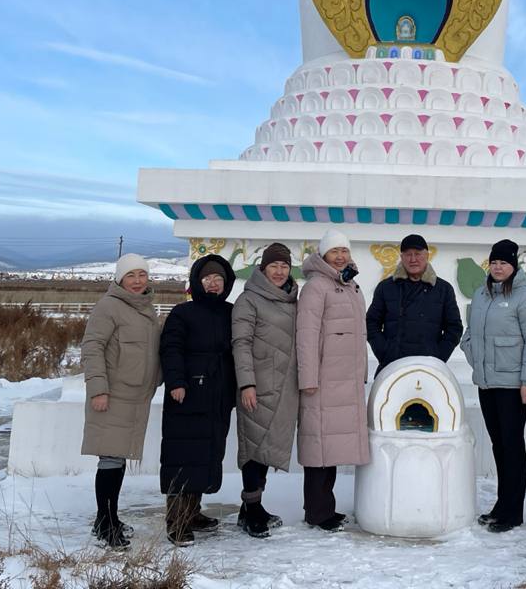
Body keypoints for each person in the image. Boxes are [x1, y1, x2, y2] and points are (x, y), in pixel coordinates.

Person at [459, 238, 526, 533]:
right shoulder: (481, 295)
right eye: (494, 262)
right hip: (487, 384)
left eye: (503, 262)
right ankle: (501, 505)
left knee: (512, 446)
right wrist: (474, 358)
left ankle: (512, 511)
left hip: (512, 385)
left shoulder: (525, 298)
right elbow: (470, 334)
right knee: (499, 445)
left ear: (513, 266)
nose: (498, 267)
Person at [80, 252, 162, 551]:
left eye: (142, 275)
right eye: (131, 275)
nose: (138, 281)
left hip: (135, 397)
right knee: (111, 459)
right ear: (119, 278)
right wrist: (98, 389)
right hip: (113, 395)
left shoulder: (146, 309)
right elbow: (92, 347)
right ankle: (105, 523)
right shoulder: (109, 306)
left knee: (118, 457)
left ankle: (109, 517)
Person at [158, 253, 237, 546]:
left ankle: (193, 512)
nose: (213, 284)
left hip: (218, 395)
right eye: (208, 279)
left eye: (218, 279)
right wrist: (176, 382)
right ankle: (177, 522)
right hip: (188, 394)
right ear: (197, 282)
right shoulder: (182, 313)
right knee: (184, 456)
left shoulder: (230, 312)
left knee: (205, 454)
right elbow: (171, 348)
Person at [296, 229, 369, 531]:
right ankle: (317, 511)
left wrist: (361, 374)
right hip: (323, 381)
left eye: (344, 251)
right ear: (323, 255)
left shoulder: (350, 285)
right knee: (319, 450)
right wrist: (308, 378)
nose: (340, 256)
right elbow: (307, 335)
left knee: (333, 450)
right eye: (334, 251)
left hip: (346, 380)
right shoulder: (316, 287)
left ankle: (326, 507)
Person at [231, 242, 299, 539]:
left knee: (269, 447)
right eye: (274, 266)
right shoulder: (249, 300)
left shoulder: (293, 300)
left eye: (284, 266)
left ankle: (251, 509)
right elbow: (241, 343)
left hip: (285, 387)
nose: (280, 271)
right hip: (257, 385)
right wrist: (247, 383)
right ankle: (252, 508)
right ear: (263, 269)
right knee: (254, 448)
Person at [366, 233, 463, 373]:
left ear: (427, 255)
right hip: (392, 366)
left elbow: (454, 328)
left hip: (430, 368)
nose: (413, 259)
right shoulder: (386, 287)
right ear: (401, 257)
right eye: (408, 254)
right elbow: (371, 323)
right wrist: (385, 353)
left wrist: (438, 357)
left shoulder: (443, 289)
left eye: (417, 254)